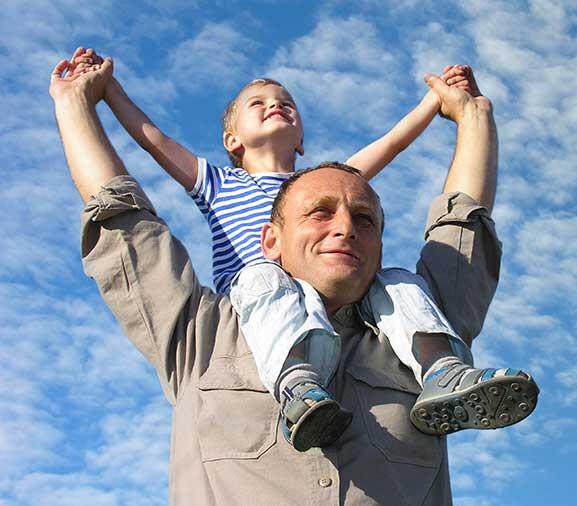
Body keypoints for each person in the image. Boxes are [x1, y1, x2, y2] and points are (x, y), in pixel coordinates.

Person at [51, 49, 536, 504]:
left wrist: (459, 110)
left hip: (388, 315)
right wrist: (91, 98)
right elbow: (124, 217)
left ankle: (443, 373)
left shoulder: (411, 309)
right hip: (252, 298)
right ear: (272, 236)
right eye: (318, 214)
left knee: (401, 282)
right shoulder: (201, 336)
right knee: (265, 280)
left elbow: (459, 221)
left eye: (364, 218)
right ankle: (296, 380)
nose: (344, 226)